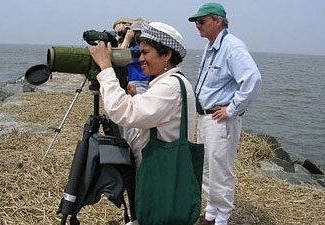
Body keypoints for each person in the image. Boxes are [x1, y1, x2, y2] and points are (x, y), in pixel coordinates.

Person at [188, 2, 262, 225]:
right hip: (206, 117)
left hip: (220, 119)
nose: (197, 26)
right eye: (196, 22)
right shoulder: (211, 46)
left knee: (221, 170)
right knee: (208, 168)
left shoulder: (232, 46)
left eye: (202, 21)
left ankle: (222, 219)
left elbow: (252, 79)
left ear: (218, 21)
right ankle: (211, 212)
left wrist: (231, 109)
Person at [89, 21, 195, 170]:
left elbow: (123, 112)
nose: (140, 59)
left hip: (161, 174)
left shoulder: (170, 87)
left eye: (145, 52)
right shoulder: (172, 82)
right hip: (165, 169)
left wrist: (106, 67)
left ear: (166, 54)